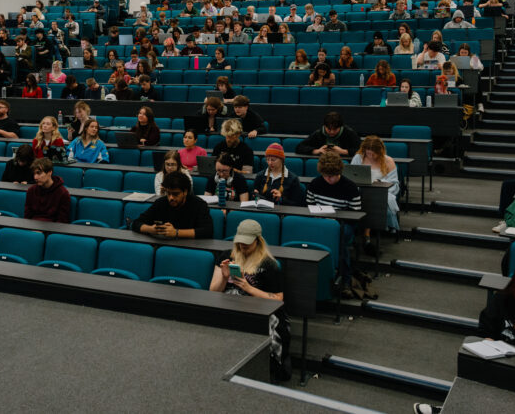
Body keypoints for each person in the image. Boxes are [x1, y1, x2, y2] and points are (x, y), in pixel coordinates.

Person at [210, 219, 292, 382]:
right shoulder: (227, 256)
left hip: (260, 308)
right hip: (231, 303)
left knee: (270, 329)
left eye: (247, 243)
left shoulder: (269, 264)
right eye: (240, 243)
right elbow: (213, 291)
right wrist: (225, 278)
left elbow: (278, 299)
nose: (243, 247)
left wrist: (248, 288)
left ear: (258, 241)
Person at [305, 152, 361, 293]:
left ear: (339, 172)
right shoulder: (315, 184)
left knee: (340, 239)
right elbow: (309, 207)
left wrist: (335, 220)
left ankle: (346, 280)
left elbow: (355, 215)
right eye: (326, 176)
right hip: (319, 221)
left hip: (342, 224)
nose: (329, 179)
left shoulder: (350, 187)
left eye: (333, 176)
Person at [132, 171, 214, 239]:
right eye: (168, 193)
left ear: (185, 192)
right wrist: (151, 229)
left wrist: (176, 232)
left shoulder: (199, 204)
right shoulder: (160, 203)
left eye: (175, 194)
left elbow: (207, 231)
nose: (171, 197)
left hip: (191, 248)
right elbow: (136, 223)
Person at [352, 135, 401, 233]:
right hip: (361, 190)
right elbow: (352, 176)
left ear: (380, 151)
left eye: (373, 153)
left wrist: (379, 184)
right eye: (368, 152)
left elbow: (394, 183)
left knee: (374, 201)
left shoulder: (388, 161)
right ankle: (364, 229)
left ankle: (368, 231)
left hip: (381, 191)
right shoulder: (358, 158)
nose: (370, 155)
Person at [24, 158, 70, 222]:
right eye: (34, 174)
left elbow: (62, 221)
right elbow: (27, 217)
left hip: (51, 230)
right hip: (32, 228)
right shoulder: (31, 191)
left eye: (39, 173)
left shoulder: (63, 193)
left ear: (49, 172)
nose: (35, 177)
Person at [296, 111, 360, 157]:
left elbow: (361, 150)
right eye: (329, 129)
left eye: (335, 129)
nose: (331, 132)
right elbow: (299, 147)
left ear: (341, 127)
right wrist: (317, 151)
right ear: (324, 126)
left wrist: (343, 151)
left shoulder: (349, 133)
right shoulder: (318, 133)